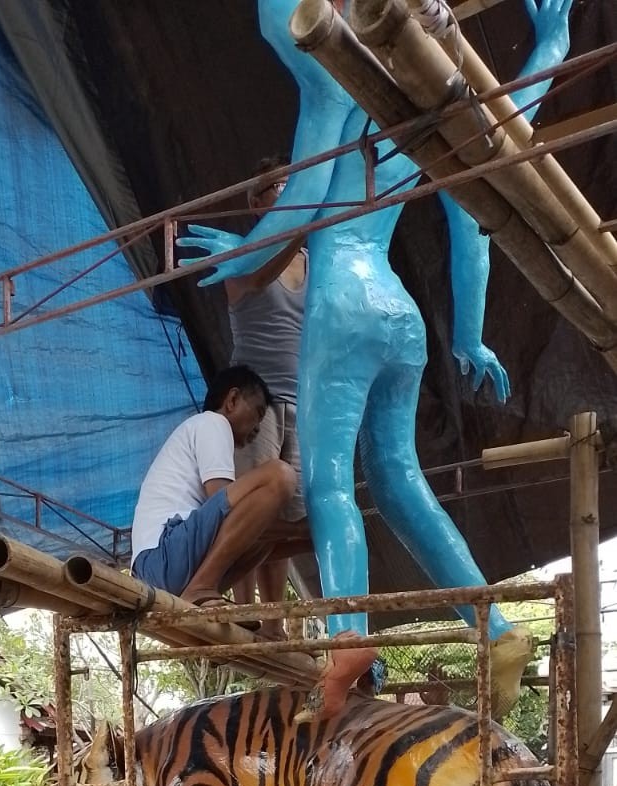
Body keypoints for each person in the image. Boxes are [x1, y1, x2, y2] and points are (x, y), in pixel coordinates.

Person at [181, 0, 575, 717]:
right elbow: (479, 216)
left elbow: (302, 204)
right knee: (397, 481)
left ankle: (348, 644)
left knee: (332, 486)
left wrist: (243, 250)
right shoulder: (424, 118)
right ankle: (494, 625)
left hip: (342, 303)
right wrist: (553, 43)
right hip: (401, 318)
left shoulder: (334, 89)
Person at [131, 365, 295, 614]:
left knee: (259, 536)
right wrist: (301, 529)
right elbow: (226, 510)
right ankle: (201, 587)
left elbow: (246, 532)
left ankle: (203, 588)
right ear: (232, 400)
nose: (258, 429)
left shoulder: (204, 432)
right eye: (258, 413)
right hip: (160, 559)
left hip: (162, 569)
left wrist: (305, 537)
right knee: (279, 475)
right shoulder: (212, 423)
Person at [226, 156, 310, 639]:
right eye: (276, 187)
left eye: (290, 182)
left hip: (300, 398)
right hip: (255, 401)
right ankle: (243, 609)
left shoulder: (313, 262)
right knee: (252, 504)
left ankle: (274, 619)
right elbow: (255, 278)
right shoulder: (241, 251)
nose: (286, 190)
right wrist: (301, 231)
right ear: (256, 203)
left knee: (288, 511)